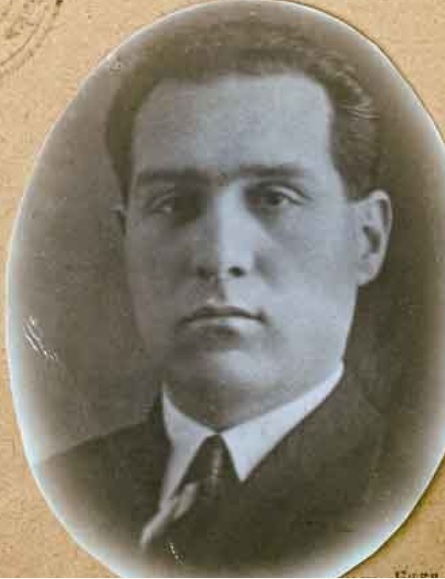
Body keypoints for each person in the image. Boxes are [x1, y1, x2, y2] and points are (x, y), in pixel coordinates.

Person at [37, 4, 393, 575]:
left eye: (274, 198)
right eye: (175, 203)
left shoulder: (412, 489)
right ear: (127, 238)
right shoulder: (55, 495)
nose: (220, 257)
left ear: (367, 239)